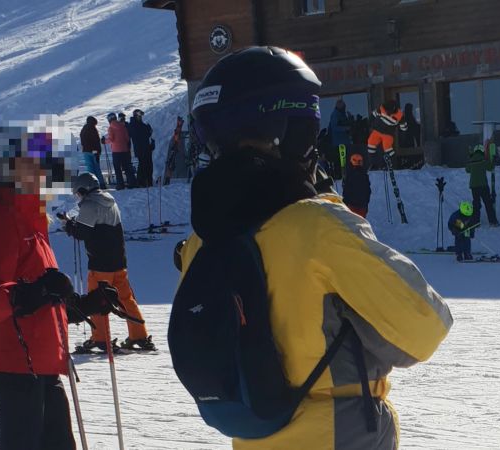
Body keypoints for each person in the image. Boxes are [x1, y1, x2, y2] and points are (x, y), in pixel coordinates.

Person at [181, 46, 452, 449]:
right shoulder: (320, 229)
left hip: (254, 435)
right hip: (337, 433)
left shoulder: (201, 242)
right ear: (291, 133)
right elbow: (425, 326)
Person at [0, 119, 129, 450]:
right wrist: (38, 291)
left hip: (43, 361)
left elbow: (46, 297)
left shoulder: (32, 221)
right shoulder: (0, 219)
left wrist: (86, 304)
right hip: (14, 364)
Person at [63, 172, 154, 352]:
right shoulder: (110, 200)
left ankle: (100, 338)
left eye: (78, 193)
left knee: (98, 299)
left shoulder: (89, 204)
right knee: (125, 298)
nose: (78, 197)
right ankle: (139, 335)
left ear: (83, 190)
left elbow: (82, 233)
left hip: (100, 263)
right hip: (118, 260)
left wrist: (68, 226)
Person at [367, 99, 408, 167]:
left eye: (389, 111)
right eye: (386, 111)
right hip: (377, 130)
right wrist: (369, 123)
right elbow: (373, 114)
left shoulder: (399, 115)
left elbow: (404, 126)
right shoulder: (381, 108)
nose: (387, 113)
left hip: (388, 134)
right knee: (371, 143)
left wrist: (403, 135)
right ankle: (373, 162)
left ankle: (393, 163)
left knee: (387, 147)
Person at [466, 144, 499, 227]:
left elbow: (467, 170)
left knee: (476, 204)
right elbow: (490, 167)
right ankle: (493, 221)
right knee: (488, 203)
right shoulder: (483, 160)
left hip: (474, 186)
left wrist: (470, 159)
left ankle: (476, 222)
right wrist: (494, 160)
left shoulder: (471, 160)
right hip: (483, 185)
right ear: (482, 151)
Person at [103, 112, 137, 189]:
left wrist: (104, 141)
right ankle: (132, 183)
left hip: (116, 151)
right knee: (127, 167)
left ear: (109, 119)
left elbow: (111, 139)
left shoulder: (111, 128)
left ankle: (120, 185)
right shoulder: (123, 126)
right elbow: (127, 138)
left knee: (117, 169)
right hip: (125, 150)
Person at [128, 109, 155, 187]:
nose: (141, 118)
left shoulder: (140, 124)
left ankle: (148, 181)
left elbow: (147, 135)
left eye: (141, 116)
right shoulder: (134, 125)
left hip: (146, 147)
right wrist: (148, 130)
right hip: (140, 149)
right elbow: (140, 135)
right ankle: (141, 182)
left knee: (148, 165)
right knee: (143, 165)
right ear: (136, 116)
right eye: (139, 116)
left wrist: (149, 132)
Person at [79, 116, 107, 189]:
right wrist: (98, 151)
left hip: (86, 151)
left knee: (90, 169)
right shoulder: (93, 129)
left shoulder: (83, 129)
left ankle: (93, 185)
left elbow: (82, 141)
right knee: (97, 168)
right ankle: (101, 184)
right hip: (94, 152)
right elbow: (96, 142)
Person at [342, 153, 370, 218]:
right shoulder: (365, 176)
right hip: (362, 207)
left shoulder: (350, 176)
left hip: (351, 206)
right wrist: (366, 204)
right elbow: (368, 191)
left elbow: (346, 191)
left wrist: (344, 203)